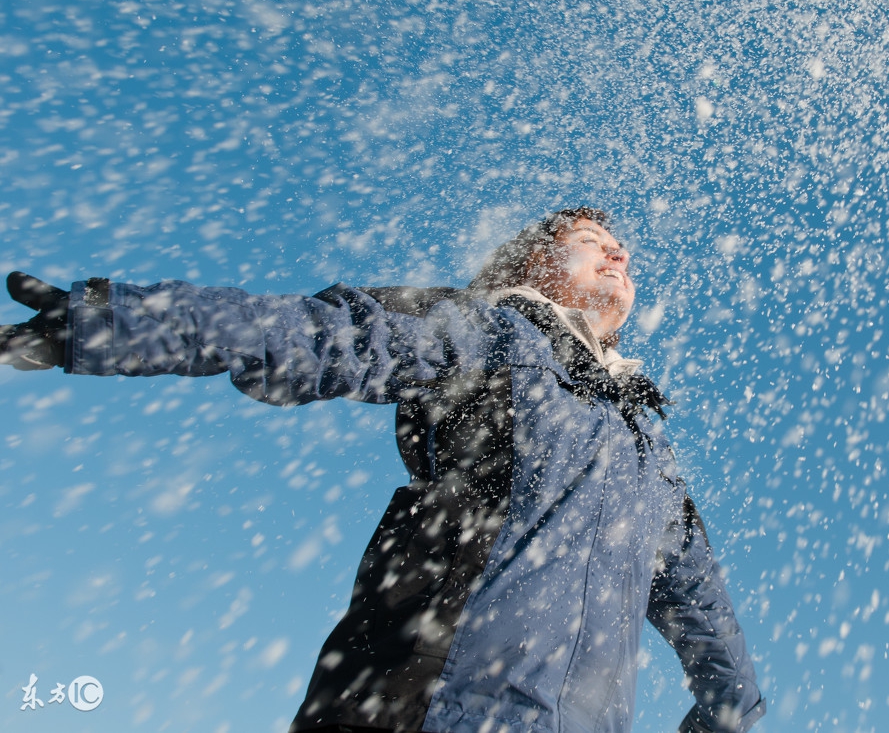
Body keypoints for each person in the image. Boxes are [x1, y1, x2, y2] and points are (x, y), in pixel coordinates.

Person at [0, 207, 765, 733]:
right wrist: (116, 322)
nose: (619, 253)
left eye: (620, 246)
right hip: (414, 703)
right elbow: (324, 335)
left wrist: (726, 713)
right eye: (593, 239)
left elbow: (709, 620)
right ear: (536, 259)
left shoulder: (646, 453)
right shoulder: (490, 335)